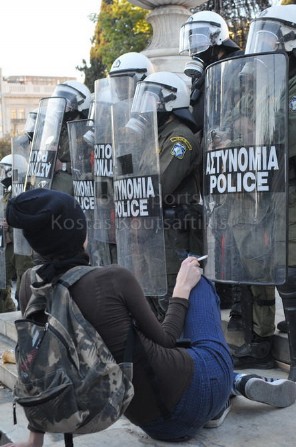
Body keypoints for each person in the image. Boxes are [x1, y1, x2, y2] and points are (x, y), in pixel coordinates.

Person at [3, 187, 296, 447]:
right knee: (198, 283)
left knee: (177, 346)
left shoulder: (31, 285)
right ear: (79, 233)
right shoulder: (112, 279)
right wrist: (182, 287)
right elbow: (167, 340)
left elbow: (38, 370)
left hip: (147, 420)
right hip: (190, 400)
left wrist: (33, 440)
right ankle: (229, 383)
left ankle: (230, 388)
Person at [179, 10, 277, 369]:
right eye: (190, 35)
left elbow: (245, 121)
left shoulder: (238, 65)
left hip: (247, 175)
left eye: (199, 34)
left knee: (257, 256)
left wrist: (231, 134)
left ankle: (258, 332)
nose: (193, 42)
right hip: (224, 176)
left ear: (218, 34)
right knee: (237, 254)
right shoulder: (204, 76)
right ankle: (245, 321)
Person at [240, 3, 296, 380]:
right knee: (270, 270)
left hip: (289, 189)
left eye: (271, 38)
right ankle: (265, 344)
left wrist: (254, 129)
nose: (263, 46)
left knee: (291, 275)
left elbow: (285, 136)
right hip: (267, 193)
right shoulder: (267, 84)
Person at [125, 71, 203, 318]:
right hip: (154, 233)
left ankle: (177, 355)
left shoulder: (180, 138)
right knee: (153, 302)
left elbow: (157, 185)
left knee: (170, 301)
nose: (143, 108)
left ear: (169, 102)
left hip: (173, 235)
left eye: (149, 101)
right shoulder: (156, 137)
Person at [0, 155, 34, 312]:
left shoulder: (28, 193)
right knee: (2, 280)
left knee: (24, 284)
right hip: (7, 245)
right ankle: (7, 312)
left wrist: (11, 223)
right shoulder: (7, 194)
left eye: (3, 169)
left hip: (23, 245)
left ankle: (24, 316)